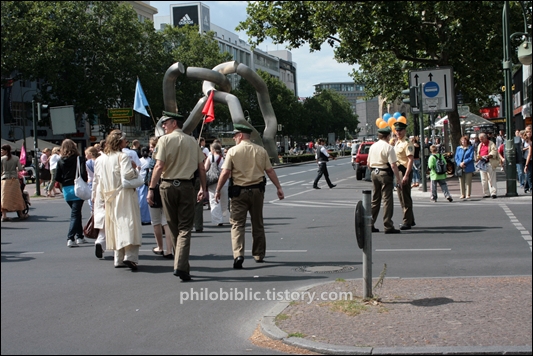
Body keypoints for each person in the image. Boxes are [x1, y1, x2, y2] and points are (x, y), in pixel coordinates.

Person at [214, 123, 284, 269]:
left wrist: (218, 190)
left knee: (237, 224)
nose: (233, 138)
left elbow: (225, 173)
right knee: (257, 223)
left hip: (239, 193)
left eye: (234, 135)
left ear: (240, 135)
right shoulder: (261, 150)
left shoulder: (232, 152)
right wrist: (278, 187)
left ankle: (238, 254)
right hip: (257, 192)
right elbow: (270, 171)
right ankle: (259, 254)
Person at [147, 112, 207, 281]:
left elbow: (159, 166)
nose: (163, 126)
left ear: (174, 123)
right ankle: (181, 265)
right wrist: (203, 187)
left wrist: (151, 188)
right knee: (185, 228)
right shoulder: (192, 141)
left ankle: (179, 264)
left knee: (173, 226)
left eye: (165, 123)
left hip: (167, 186)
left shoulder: (164, 141)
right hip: (186, 186)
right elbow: (201, 168)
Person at [98, 130, 142, 270]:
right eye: (125, 140)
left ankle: (118, 258)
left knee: (116, 225)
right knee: (129, 223)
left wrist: (102, 199)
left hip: (109, 195)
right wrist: (135, 169)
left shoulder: (103, 158)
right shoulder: (122, 157)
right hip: (124, 194)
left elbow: (100, 181)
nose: (127, 143)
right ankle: (130, 256)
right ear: (119, 142)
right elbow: (127, 175)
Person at [367, 126, 403, 234]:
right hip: (384, 173)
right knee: (387, 200)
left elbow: (368, 164)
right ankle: (388, 225)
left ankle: (370, 223)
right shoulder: (388, 147)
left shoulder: (372, 146)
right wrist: (398, 179)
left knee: (375, 199)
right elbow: (393, 165)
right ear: (387, 136)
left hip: (374, 172)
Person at [55, 139, 88, 247]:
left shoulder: (60, 160)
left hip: (66, 189)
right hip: (77, 187)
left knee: (76, 213)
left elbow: (57, 177)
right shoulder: (79, 159)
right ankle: (71, 237)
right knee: (75, 214)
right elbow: (83, 174)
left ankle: (80, 236)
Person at [145, 136, 174, 258]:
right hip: (167, 186)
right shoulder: (169, 156)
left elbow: (151, 175)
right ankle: (169, 249)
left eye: (152, 146)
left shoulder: (154, 160)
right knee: (166, 222)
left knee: (156, 221)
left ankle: (160, 247)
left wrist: (150, 189)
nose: (151, 149)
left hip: (155, 188)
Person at [393, 122, 415, 230]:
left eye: (400, 130)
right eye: (397, 130)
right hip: (398, 171)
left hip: (404, 170)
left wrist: (406, 175)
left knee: (405, 197)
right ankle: (411, 219)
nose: (398, 132)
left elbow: (410, 160)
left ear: (405, 130)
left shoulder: (407, 143)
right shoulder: (397, 143)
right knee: (401, 196)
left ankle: (407, 221)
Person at [1, 144, 29, 222]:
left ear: (6, 151)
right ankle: (21, 214)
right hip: (14, 180)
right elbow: (20, 169)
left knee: (4, 198)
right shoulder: (16, 158)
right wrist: (21, 167)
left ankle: (4, 216)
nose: (1, 151)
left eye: (2, 150)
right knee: (17, 197)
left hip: (5, 180)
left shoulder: (2, 159)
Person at [205, 142, 228, 226]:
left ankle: (218, 220)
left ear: (213, 149)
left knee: (214, 200)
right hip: (224, 181)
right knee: (223, 198)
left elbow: (205, 169)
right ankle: (223, 213)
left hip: (213, 181)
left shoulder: (210, 157)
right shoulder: (224, 158)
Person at [91, 140, 107, 259]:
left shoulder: (98, 160)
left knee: (102, 219)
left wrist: (93, 194)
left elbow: (95, 179)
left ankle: (100, 242)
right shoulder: (111, 158)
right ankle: (101, 242)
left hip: (99, 190)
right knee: (111, 219)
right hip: (110, 190)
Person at [476, 133, 499, 199]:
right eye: (480, 139)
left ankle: (493, 192)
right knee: (483, 179)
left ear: (486, 138)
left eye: (482, 139)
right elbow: (478, 153)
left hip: (489, 162)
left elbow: (494, 151)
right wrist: (478, 158)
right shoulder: (480, 145)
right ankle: (486, 193)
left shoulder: (491, 143)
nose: (481, 140)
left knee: (491, 179)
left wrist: (488, 156)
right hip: (482, 163)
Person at [138, 147, 152, 225]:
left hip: (140, 181)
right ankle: (147, 217)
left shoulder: (139, 161)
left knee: (140, 200)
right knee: (147, 201)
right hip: (147, 182)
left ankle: (142, 217)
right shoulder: (150, 160)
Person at [523, 129, 532, 194]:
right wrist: (527, 148)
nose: (529, 133)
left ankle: (526, 187)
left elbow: (530, 154)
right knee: (529, 174)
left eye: (530, 132)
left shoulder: (531, 142)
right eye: (527, 132)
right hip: (526, 159)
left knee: (528, 174)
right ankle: (530, 188)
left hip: (530, 159)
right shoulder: (524, 140)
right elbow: (521, 149)